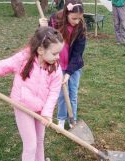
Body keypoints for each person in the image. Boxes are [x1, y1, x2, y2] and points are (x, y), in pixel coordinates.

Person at [0, 26, 64, 161]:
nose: (58, 57)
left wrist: (47, 114)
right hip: (22, 106)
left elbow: (54, 93)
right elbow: (3, 66)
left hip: (41, 109)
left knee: (40, 139)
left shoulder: (55, 68)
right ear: (41, 50)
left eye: (59, 53)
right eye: (55, 53)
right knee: (30, 145)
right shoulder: (24, 58)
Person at [39, 0, 86, 129]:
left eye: (79, 18)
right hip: (58, 64)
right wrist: (42, 26)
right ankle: (61, 119)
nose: (77, 21)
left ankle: (72, 121)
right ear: (66, 13)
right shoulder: (55, 20)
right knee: (60, 94)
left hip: (73, 66)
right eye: (74, 18)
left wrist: (70, 72)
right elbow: (44, 39)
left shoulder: (80, 27)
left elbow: (78, 53)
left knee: (72, 93)